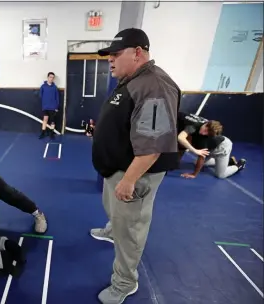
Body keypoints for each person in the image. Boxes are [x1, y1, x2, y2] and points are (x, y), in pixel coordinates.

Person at [91, 28, 181, 304]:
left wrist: (128, 180)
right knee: (116, 213)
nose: (110, 60)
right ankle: (112, 229)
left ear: (138, 53)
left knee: (130, 231)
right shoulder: (133, 79)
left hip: (136, 174)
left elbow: (152, 146)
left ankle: (125, 282)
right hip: (116, 168)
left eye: (116, 54)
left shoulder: (154, 86)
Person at [177, 112, 246, 179]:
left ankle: (239, 165)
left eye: (207, 133)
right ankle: (230, 161)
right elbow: (181, 138)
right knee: (196, 163)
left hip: (222, 148)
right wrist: (195, 150)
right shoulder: (197, 125)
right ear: (206, 124)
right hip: (211, 147)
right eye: (205, 130)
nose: (203, 133)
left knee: (220, 175)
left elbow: (202, 157)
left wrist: (194, 174)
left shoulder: (204, 139)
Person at [38, 72, 60, 139]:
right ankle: (43, 132)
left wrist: (56, 107)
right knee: (45, 119)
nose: (51, 79)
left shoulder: (55, 87)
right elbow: (40, 95)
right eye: (50, 77)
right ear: (47, 77)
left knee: (52, 121)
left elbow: (57, 98)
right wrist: (44, 103)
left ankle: (51, 133)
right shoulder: (43, 86)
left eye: (53, 78)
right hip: (45, 107)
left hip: (53, 107)